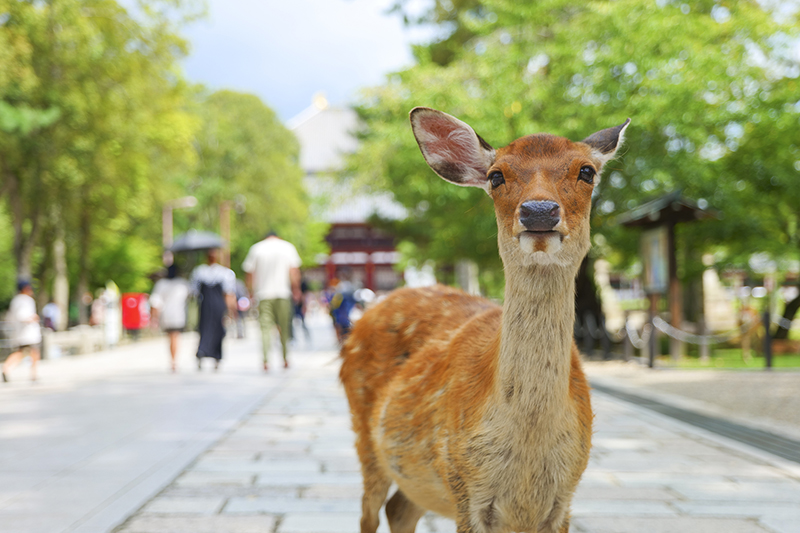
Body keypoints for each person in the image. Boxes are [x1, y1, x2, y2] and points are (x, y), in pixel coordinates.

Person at [242, 231, 301, 371]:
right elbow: (293, 271)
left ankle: (265, 360)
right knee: (284, 327)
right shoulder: (287, 247)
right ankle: (285, 358)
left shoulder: (257, 248)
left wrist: (249, 291)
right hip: (283, 293)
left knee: (265, 328)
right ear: (278, 237)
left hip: (263, 294)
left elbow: (250, 273)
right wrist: (296, 289)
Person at [190, 248, 237, 371]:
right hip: (205, 305)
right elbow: (194, 291)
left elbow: (228, 293)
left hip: (217, 305)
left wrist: (231, 309)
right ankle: (202, 351)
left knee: (218, 330)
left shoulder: (224, 273)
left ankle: (215, 355)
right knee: (204, 328)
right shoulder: (199, 271)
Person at [150, 264, 191, 372]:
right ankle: (174, 360)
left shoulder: (161, 284)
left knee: (171, 337)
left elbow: (156, 302)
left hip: (166, 315)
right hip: (178, 314)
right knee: (175, 336)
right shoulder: (182, 283)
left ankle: (173, 360)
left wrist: (154, 318)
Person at [2, 280, 42, 382]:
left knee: (21, 353)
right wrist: (32, 318)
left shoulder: (16, 300)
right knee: (33, 353)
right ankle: (33, 374)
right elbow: (22, 316)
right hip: (27, 333)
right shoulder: (25, 300)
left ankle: (6, 368)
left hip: (21, 332)